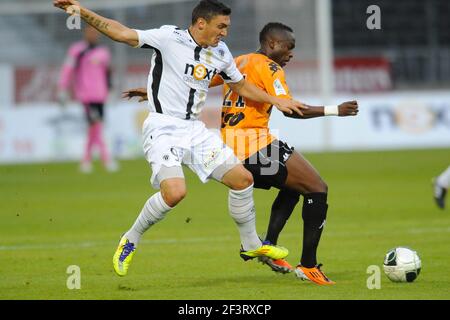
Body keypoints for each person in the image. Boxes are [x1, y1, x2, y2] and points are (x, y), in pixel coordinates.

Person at [54, 0, 308, 277]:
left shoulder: (221, 52)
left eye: (227, 27)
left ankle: (251, 245)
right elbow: (121, 33)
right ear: (201, 23)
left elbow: (241, 85)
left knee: (242, 179)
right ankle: (131, 238)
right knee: (175, 193)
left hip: (195, 131)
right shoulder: (168, 37)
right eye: (221, 26)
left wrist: (275, 101)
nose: (224, 32)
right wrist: (82, 12)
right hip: (162, 128)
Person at [124, 23, 359, 285]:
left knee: (296, 186)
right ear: (272, 44)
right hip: (256, 146)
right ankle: (308, 265)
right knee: (317, 188)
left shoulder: (238, 61)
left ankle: (267, 245)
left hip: (232, 146)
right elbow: (290, 109)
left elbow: (198, 81)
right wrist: (335, 110)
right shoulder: (271, 68)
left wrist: (154, 92)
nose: (291, 53)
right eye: (288, 47)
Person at [58, 24, 118, 173]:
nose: (93, 35)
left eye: (95, 32)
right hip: (86, 95)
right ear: (85, 33)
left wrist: (111, 90)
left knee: (94, 128)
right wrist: (62, 88)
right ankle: (105, 159)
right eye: (90, 32)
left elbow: (108, 72)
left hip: (101, 95)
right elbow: (68, 69)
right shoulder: (77, 50)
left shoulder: (103, 52)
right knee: (95, 125)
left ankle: (86, 160)